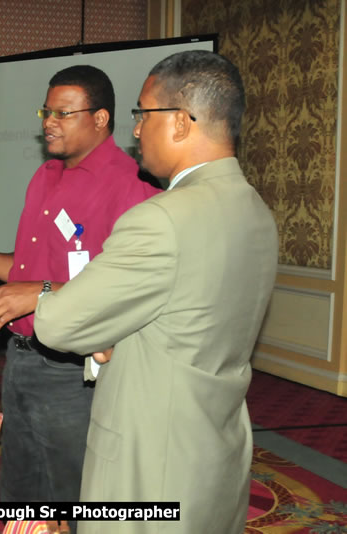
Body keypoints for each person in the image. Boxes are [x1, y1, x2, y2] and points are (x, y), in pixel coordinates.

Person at [34, 51, 278, 533]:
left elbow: (56, 323)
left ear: (182, 122)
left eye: (144, 114)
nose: (137, 130)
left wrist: (98, 331)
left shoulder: (161, 218)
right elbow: (188, 317)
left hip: (148, 463)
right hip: (216, 449)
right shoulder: (255, 211)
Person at [0, 65, 161, 505]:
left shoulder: (131, 186)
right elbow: (27, 272)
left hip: (73, 370)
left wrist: (40, 292)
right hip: (21, 358)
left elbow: (128, 290)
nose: (49, 122)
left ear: (100, 118)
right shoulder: (46, 175)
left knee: (76, 495)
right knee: (20, 490)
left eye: (63, 113)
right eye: (46, 112)